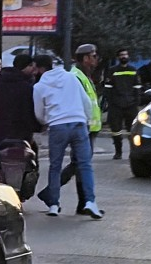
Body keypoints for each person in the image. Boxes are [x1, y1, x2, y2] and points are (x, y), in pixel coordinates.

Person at [32, 55, 102, 219]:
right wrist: (84, 119)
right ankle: (90, 202)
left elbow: (39, 114)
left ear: (41, 68)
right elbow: (86, 102)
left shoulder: (40, 86)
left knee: (55, 166)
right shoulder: (71, 77)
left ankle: (54, 204)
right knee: (85, 165)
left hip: (57, 127)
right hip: (78, 123)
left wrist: (47, 120)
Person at [52, 43, 104, 216]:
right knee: (81, 164)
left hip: (89, 127)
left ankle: (81, 202)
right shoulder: (76, 76)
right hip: (83, 127)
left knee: (79, 164)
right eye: (94, 56)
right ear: (86, 58)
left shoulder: (85, 75)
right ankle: (79, 201)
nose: (96, 59)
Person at [0, 54, 39, 178]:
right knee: (32, 163)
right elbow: (29, 111)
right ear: (24, 67)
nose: (33, 70)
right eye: (31, 66)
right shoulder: (28, 88)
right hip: (22, 135)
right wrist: (36, 126)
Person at [103, 49, 142, 160]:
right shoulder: (112, 71)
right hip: (116, 105)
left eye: (125, 54)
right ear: (118, 57)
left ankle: (133, 152)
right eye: (121, 55)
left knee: (133, 130)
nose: (124, 56)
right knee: (116, 130)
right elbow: (108, 89)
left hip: (131, 105)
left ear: (128, 56)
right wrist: (111, 102)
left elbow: (137, 88)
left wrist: (136, 102)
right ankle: (118, 152)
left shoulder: (133, 70)